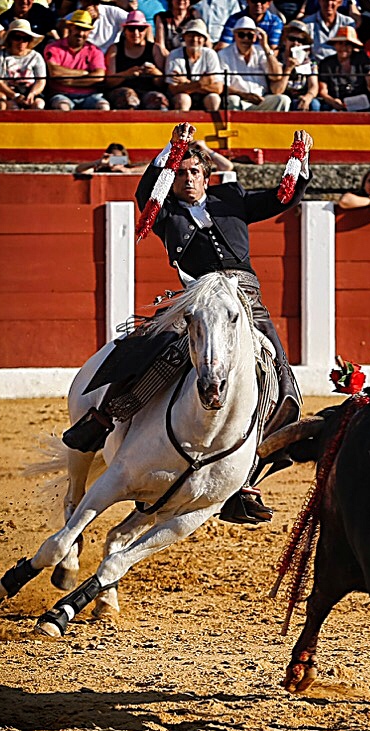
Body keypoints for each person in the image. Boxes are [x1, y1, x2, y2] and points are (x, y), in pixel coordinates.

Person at [130, 121, 311, 522]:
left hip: (245, 299)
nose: (187, 178)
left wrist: (299, 160)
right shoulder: (163, 211)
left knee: (280, 375)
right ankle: (104, 419)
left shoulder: (231, 198)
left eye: (194, 171)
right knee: (150, 353)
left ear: (206, 177)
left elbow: (283, 198)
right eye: (180, 173)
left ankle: (244, 475)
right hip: (196, 298)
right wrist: (172, 149)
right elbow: (146, 191)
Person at [215, 15, 287, 110]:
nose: (245, 39)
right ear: (235, 36)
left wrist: (266, 47)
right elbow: (222, 85)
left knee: (282, 99)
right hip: (239, 99)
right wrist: (245, 95)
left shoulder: (261, 52)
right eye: (241, 35)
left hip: (261, 100)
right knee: (232, 100)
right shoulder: (223, 54)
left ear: (255, 37)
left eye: (249, 35)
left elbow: (276, 76)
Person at [43, 9, 109, 109]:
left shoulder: (95, 51)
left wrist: (68, 81)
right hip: (61, 94)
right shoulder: (53, 48)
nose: (81, 33)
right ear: (70, 27)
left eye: (85, 30)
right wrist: (84, 73)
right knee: (62, 107)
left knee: (104, 107)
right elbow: (55, 72)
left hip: (89, 95)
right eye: (78, 28)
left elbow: (99, 77)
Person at [104, 9, 168, 109]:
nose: (136, 33)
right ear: (125, 31)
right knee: (127, 97)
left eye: (141, 29)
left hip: (148, 90)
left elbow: (163, 83)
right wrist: (126, 74)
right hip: (122, 91)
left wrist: (155, 73)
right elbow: (108, 82)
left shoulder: (155, 49)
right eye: (131, 29)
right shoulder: (115, 49)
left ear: (146, 30)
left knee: (158, 100)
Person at [316, 21, 370, 111]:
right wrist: (332, 101)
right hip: (336, 105)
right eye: (340, 43)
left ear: (352, 46)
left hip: (362, 104)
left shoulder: (362, 59)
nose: (343, 47)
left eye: (347, 44)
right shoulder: (326, 63)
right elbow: (323, 90)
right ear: (335, 45)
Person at [163, 17, 219, 111]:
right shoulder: (174, 55)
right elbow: (173, 89)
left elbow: (218, 88)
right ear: (184, 37)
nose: (195, 39)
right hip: (182, 96)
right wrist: (202, 83)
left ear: (204, 40)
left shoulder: (210, 54)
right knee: (183, 99)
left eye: (199, 37)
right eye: (191, 35)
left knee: (214, 99)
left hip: (204, 96)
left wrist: (186, 83)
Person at [0, 18, 45, 107]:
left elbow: (41, 81)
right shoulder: (1, 55)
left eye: (25, 38)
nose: (21, 42)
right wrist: (15, 96)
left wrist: (32, 93)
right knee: (12, 106)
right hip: (8, 94)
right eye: (17, 38)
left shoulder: (36, 56)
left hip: (30, 93)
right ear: (10, 39)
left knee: (39, 104)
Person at [274, 18, 317, 110]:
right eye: (292, 39)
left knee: (314, 104)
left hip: (302, 96)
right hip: (284, 96)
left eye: (300, 40)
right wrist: (288, 69)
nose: (296, 43)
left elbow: (314, 86)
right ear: (285, 40)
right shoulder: (276, 59)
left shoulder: (309, 61)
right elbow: (277, 90)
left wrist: (308, 97)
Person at [215, 0, 280, 52]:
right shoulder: (234, 19)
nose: (258, 4)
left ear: (269, 3)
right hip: (234, 59)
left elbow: (273, 50)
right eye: (254, 1)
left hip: (262, 62)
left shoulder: (275, 22)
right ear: (247, 1)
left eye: (263, 1)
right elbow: (223, 46)